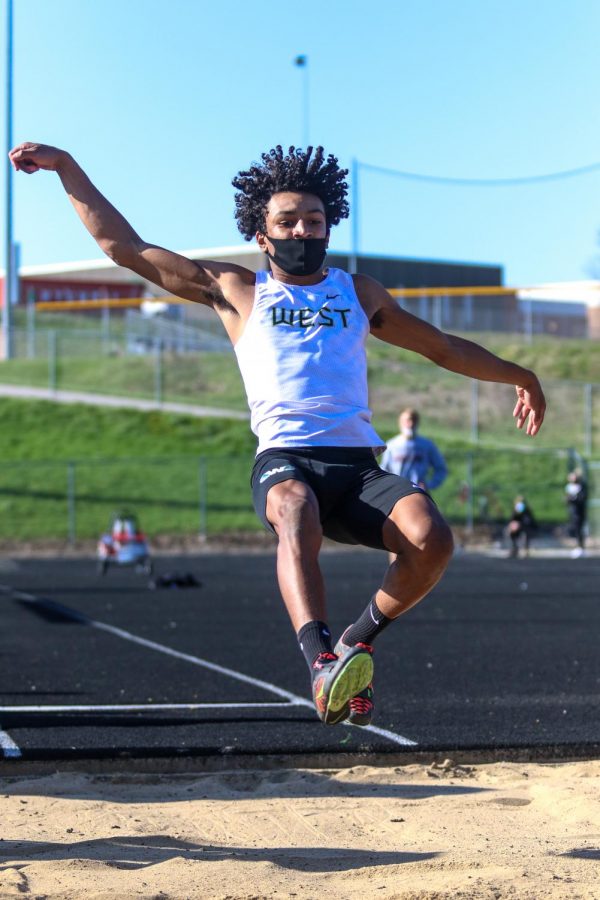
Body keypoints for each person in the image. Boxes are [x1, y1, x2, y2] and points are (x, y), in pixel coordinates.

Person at [9, 141, 546, 727]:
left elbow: (442, 347)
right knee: (293, 510)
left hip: (358, 468)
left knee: (432, 539)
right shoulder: (238, 290)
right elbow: (125, 248)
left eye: (313, 221)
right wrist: (66, 167)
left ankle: (351, 646)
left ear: (329, 226)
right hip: (287, 459)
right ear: (262, 236)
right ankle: (319, 665)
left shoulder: (358, 293)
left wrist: (521, 376)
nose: (301, 231)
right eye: (286, 222)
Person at [565, 470, 587, 557]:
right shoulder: (569, 487)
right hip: (573, 512)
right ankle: (578, 546)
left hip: (579, 512)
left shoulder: (581, 486)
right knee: (575, 529)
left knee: (579, 529)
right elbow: (568, 499)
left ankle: (581, 547)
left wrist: (573, 499)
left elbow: (582, 498)